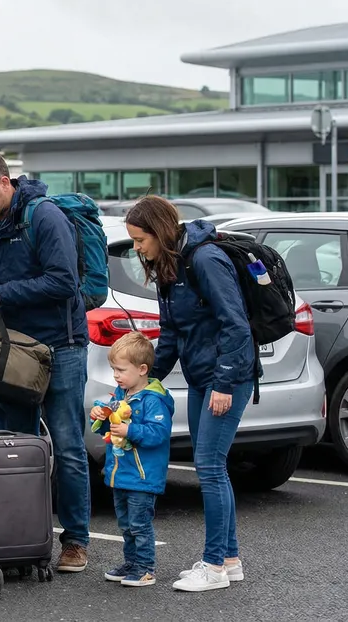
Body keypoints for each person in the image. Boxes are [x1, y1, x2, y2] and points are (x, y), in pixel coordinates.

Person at [0, 149, 91, 574]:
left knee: (68, 447)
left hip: (62, 346)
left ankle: (75, 542)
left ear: (4, 182)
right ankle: (21, 538)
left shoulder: (44, 216)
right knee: (18, 448)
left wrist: (5, 293)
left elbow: (64, 282)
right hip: (13, 349)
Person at [122, 195, 257, 593]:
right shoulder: (171, 267)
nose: (136, 248)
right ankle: (229, 561)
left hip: (223, 379)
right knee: (212, 468)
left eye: (139, 239)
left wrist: (224, 382)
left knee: (211, 468)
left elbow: (236, 325)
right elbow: (172, 334)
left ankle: (214, 567)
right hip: (203, 378)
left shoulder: (204, 261)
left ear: (160, 232)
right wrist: (145, 383)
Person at [90, 331, 174, 587]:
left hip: (143, 475)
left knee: (139, 524)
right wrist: (100, 416)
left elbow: (159, 433)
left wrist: (131, 430)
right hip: (122, 472)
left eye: (120, 370)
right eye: (114, 369)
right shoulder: (121, 394)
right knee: (126, 524)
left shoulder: (154, 400)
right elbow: (111, 427)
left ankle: (145, 567)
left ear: (142, 369)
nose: (116, 375)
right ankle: (131, 563)